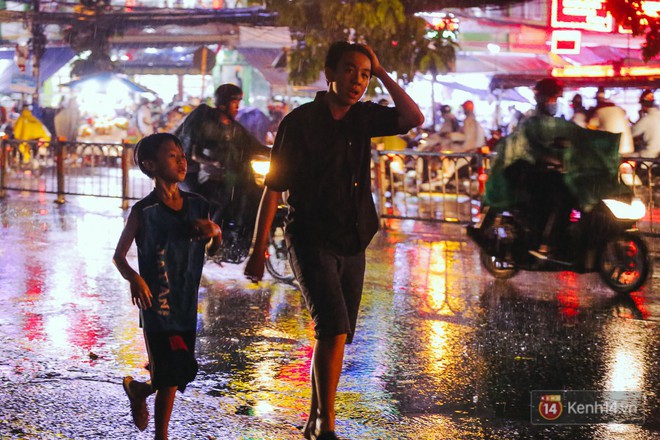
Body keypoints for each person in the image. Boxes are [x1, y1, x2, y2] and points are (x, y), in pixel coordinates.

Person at [244, 41, 424, 440]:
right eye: (350, 70)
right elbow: (274, 188)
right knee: (332, 328)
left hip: (354, 239)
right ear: (329, 73)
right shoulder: (301, 122)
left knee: (337, 335)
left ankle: (314, 419)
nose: (357, 80)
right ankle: (327, 422)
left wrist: (380, 70)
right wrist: (258, 251)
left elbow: (413, 116)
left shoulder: (363, 118)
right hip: (311, 236)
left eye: (363, 74)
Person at [112, 133, 221, 439]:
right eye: (172, 155)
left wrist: (216, 233)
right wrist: (134, 278)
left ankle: (140, 389)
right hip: (156, 307)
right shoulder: (143, 212)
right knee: (171, 374)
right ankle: (162, 436)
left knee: (180, 371)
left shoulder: (199, 205)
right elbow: (119, 257)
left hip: (185, 304)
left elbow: (212, 250)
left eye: (182, 154)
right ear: (150, 165)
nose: (182, 160)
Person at [587, 86, 634, 154]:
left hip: (612, 152)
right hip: (628, 149)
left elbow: (590, 130)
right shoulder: (619, 109)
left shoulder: (599, 111)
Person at [632, 88, 660, 158]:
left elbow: (632, 133)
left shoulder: (647, 119)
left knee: (624, 156)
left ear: (643, 105)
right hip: (657, 155)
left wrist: (640, 118)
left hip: (650, 156)